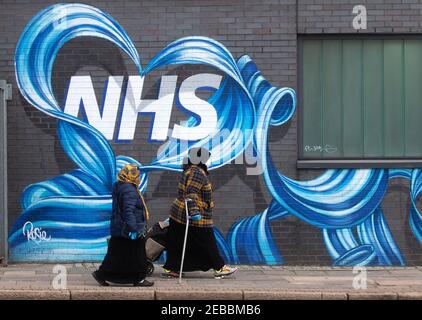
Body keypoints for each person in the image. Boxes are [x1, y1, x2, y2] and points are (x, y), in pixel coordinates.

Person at [162, 147, 238, 278]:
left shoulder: (191, 170)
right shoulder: (197, 172)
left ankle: (171, 268)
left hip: (180, 213)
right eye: (206, 158)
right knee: (207, 241)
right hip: (194, 215)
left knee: (177, 242)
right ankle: (219, 268)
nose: (208, 160)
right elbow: (191, 193)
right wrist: (194, 212)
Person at [92, 164, 154, 287]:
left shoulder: (121, 186)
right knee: (137, 254)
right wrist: (134, 228)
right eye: (137, 175)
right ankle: (139, 278)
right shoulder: (129, 190)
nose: (139, 178)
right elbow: (128, 211)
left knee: (117, 255)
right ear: (130, 176)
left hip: (120, 228)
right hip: (130, 228)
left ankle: (102, 274)